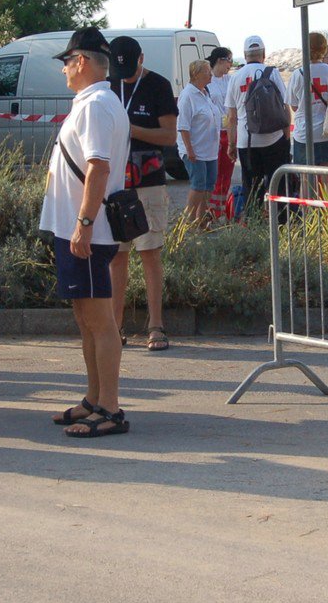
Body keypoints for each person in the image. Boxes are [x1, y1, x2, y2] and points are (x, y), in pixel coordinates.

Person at [40, 28, 132, 438]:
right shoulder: (92, 102)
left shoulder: (96, 105)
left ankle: (109, 408)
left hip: (89, 231)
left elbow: (98, 166)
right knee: (86, 319)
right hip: (78, 228)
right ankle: (94, 399)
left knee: (100, 321)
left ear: (81, 60)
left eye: (66, 61)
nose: (63, 70)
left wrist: (84, 223)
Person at [107, 36, 178, 351]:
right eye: (119, 69)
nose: (125, 76)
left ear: (141, 58)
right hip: (114, 184)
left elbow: (169, 136)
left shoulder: (159, 85)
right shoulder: (109, 85)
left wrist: (132, 129)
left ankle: (156, 326)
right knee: (116, 257)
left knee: (149, 254)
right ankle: (114, 326)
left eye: (130, 68)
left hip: (148, 183)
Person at [223, 34, 291, 217]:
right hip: (274, 137)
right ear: (264, 54)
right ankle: (281, 222)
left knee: (251, 186)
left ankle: (253, 223)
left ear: (245, 55)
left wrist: (231, 144)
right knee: (278, 183)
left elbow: (232, 117)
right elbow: (284, 106)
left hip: (247, 141)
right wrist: (286, 135)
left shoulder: (235, 78)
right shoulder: (273, 73)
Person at [288, 30, 328, 170]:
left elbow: (294, 106)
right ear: (324, 49)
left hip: (304, 132)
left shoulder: (297, 74)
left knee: (306, 180)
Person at [176, 59, 219, 227]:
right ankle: (186, 224)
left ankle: (200, 221)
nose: (211, 74)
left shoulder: (205, 92)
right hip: (195, 150)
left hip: (210, 150)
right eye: (207, 71)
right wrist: (189, 149)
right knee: (198, 185)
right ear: (196, 74)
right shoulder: (188, 96)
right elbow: (183, 126)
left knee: (209, 186)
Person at [206, 46, 236, 211]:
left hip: (229, 130)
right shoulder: (208, 80)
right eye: (229, 60)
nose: (230, 64)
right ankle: (211, 210)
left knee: (227, 173)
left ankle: (222, 207)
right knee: (215, 174)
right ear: (220, 60)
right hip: (214, 132)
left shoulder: (229, 80)